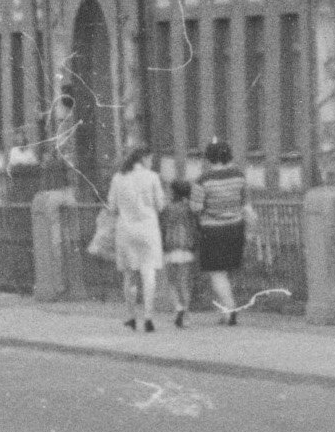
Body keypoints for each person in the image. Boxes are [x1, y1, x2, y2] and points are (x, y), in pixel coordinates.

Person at [106, 147, 166, 332]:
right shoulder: (152, 177)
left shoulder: (118, 178)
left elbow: (111, 207)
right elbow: (160, 205)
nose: (151, 162)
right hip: (148, 229)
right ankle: (148, 317)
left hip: (126, 230)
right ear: (144, 159)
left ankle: (131, 317)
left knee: (129, 274)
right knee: (149, 273)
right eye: (150, 159)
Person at [195, 140, 255, 325]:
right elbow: (247, 206)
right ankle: (225, 312)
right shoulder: (239, 176)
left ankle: (229, 308)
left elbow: (196, 208)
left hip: (212, 231)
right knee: (229, 270)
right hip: (236, 228)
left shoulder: (203, 180)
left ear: (209, 158)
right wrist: (251, 231)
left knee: (217, 273)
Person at [160, 178, 200, 328]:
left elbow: (162, 228)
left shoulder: (167, 209)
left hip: (170, 248)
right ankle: (187, 314)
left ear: (173, 192)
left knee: (172, 282)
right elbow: (196, 229)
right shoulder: (190, 210)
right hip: (186, 249)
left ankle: (178, 307)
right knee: (184, 283)